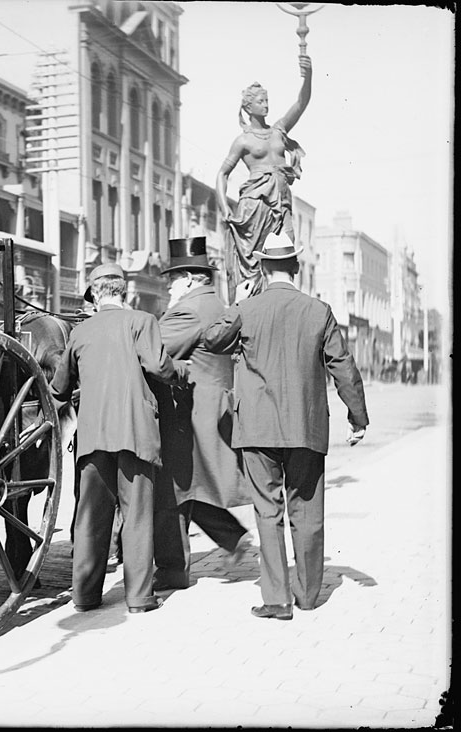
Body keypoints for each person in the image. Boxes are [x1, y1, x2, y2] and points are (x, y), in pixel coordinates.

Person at [203, 232, 369, 620]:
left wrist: (238, 301)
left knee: (268, 510)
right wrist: (357, 417)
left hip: (257, 428)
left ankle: (277, 600)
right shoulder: (319, 310)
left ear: (262, 267)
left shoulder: (248, 307)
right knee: (307, 511)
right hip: (306, 426)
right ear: (295, 267)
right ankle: (309, 595)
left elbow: (213, 340)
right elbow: (343, 367)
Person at [50, 263, 188, 614]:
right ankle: (140, 599)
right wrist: (183, 372)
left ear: (95, 295)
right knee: (138, 513)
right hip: (135, 432)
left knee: (92, 516)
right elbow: (159, 367)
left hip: (94, 436)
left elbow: (60, 387)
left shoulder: (80, 332)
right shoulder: (141, 322)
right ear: (123, 292)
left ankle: (85, 595)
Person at [151, 237, 252, 592]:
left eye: (174, 278)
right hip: (207, 408)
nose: (169, 285)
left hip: (189, 412)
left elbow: (151, 349)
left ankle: (172, 571)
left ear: (192, 279)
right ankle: (233, 539)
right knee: (191, 487)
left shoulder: (188, 310)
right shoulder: (212, 302)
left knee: (172, 489)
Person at [217, 55, 312, 302]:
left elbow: (301, 103)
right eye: (261, 101)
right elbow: (222, 174)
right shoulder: (243, 140)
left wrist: (308, 76)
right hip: (255, 204)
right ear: (249, 107)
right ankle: (255, 304)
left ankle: (285, 299)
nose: (266, 105)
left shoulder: (278, 130)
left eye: (267, 100)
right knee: (254, 259)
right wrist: (224, 206)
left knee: (286, 250)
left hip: (282, 201)